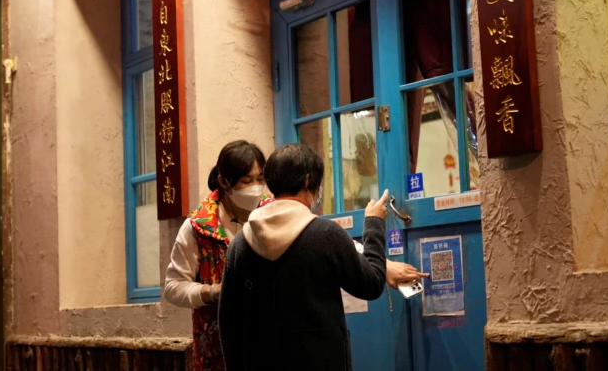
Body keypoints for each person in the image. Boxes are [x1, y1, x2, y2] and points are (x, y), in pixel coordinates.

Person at [220, 143, 419, 371]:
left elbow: (228, 321)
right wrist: (374, 223)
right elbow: (372, 284)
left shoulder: (240, 243)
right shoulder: (325, 234)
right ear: (307, 181)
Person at [164, 140, 271, 371]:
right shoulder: (198, 227)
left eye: (260, 179)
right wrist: (211, 292)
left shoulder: (273, 214)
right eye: (246, 181)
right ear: (224, 182)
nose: (256, 187)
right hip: (217, 351)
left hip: (270, 345)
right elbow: (173, 287)